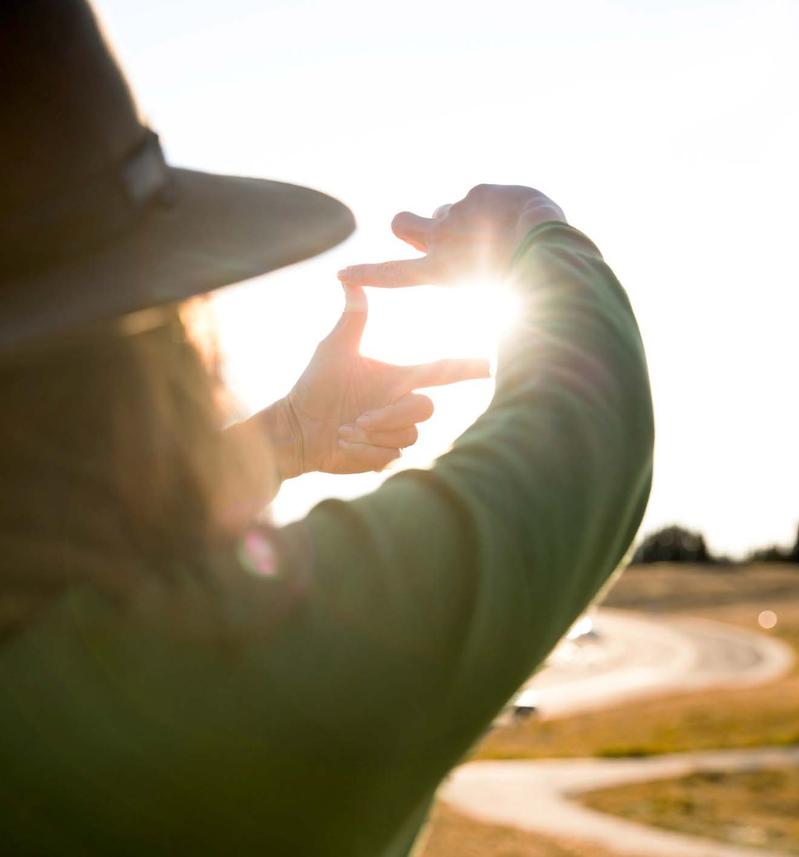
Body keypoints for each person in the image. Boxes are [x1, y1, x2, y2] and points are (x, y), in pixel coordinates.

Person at [0, 2, 654, 856]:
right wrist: (537, 235)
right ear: (145, 350)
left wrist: (285, 439)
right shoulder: (197, 689)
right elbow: (583, 446)